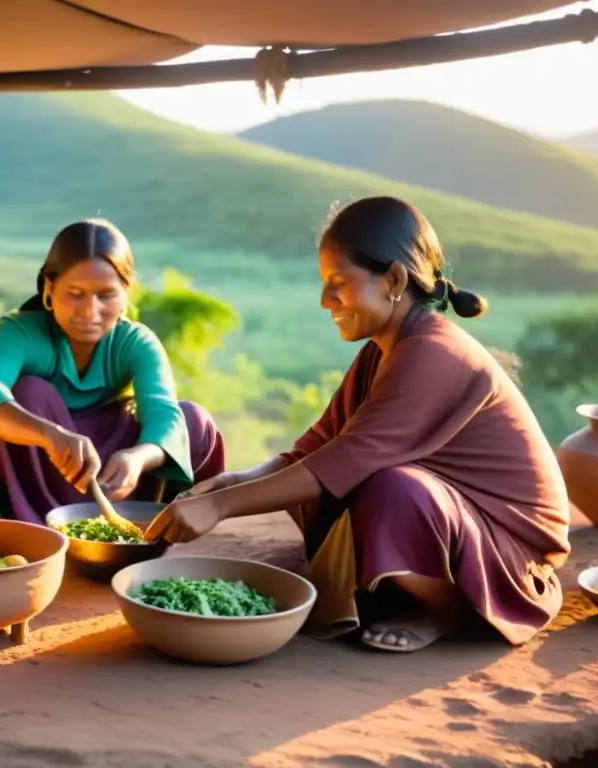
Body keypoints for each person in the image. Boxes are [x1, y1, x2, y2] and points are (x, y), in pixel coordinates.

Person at [146, 196, 570, 653]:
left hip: (509, 556)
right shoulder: (383, 349)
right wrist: (233, 482)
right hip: (455, 521)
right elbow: (317, 448)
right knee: (327, 486)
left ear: (393, 279)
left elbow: (343, 462)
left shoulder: (434, 352)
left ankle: (449, 609)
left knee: (388, 488)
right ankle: (394, 581)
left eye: (338, 283)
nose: (325, 299)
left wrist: (221, 508)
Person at [0, 218, 226, 523]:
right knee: (28, 392)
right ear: (49, 287)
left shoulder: (135, 342)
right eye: (75, 293)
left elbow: (164, 415)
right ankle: (42, 528)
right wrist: (51, 435)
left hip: (116, 475)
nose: (90, 311)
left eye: (106, 295)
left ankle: (159, 522)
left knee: (192, 418)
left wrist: (137, 459)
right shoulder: (19, 332)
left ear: (126, 292)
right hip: (47, 465)